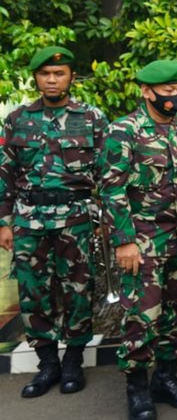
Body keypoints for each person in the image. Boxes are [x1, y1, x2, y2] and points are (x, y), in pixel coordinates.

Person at [100, 59, 177, 420]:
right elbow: (112, 190)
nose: (175, 96)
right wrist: (123, 241)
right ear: (147, 92)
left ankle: (165, 378)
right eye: (168, 90)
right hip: (144, 239)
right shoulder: (124, 131)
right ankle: (137, 388)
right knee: (142, 315)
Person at [0, 46, 108, 397]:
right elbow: (5, 173)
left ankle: (73, 360)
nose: (51, 80)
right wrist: (4, 221)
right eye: (45, 74)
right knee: (33, 293)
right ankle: (47, 364)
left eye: (59, 74)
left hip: (76, 219)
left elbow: (108, 173)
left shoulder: (91, 118)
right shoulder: (17, 119)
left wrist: (107, 218)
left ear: (71, 77)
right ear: (36, 78)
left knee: (79, 290)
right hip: (29, 221)